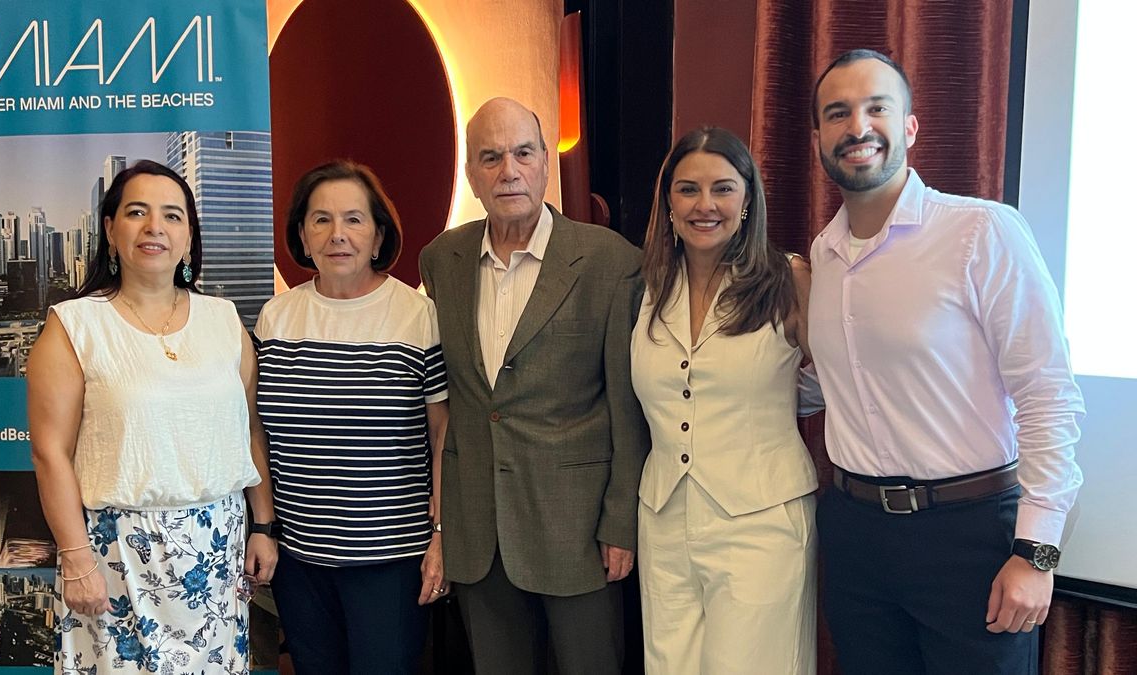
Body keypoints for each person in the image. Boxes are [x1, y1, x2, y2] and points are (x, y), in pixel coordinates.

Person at [807, 49, 1085, 674]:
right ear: (819, 137)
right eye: (837, 113)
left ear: (909, 126)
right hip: (855, 535)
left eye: (876, 107)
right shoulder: (820, 258)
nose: (857, 127)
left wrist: (1037, 552)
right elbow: (832, 385)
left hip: (970, 537)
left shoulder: (982, 233)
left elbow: (1048, 394)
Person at [418, 97, 648, 674]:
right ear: (470, 174)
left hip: (580, 528)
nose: (509, 171)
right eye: (490, 158)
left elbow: (628, 406)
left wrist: (621, 522)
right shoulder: (440, 260)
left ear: (546, 162)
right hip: (480, 531)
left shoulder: (609, 261)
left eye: (522, 153)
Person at [28, 159, 277, 673]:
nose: (154, 228)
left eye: (172, 215)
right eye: (137, 212)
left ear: (189, 236)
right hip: (115, 557)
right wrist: (76, 558)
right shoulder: (74, 325)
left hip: (216, 555)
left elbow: (248, 430)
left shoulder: (224, 320)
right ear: (110, 229)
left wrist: (264, 526)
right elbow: (49, 451)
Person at [631, 127, 817, 674]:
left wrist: (777, 401)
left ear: (749, 198)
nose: (705, 204)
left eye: (722, 188)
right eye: (688, 189)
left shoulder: (789, 278)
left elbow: (835, 384)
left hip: (762, 522)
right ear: (668, 202)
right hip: (663, 520)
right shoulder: (646, 287)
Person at [255, 161, 449, 675]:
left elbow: (443, 435)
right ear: (301, 233)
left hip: (391, 560)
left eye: (354, 220)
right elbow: (258, 431)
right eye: (320, 220)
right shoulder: (277, 317)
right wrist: (264, 527)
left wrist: (441, 535)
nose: (337, 234)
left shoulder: (416, 314)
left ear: (379, 232)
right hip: (298, 557)